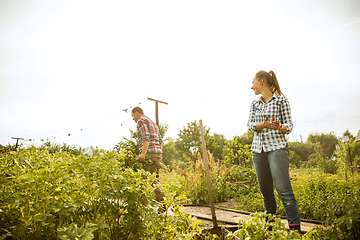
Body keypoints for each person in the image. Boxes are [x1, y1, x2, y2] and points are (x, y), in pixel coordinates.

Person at [247, 70, 301, 232]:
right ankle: (270, 228)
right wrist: (263, 125)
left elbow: (289, 125)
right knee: (266, 191)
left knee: (284, 190)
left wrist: (280, 127)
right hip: (258, 150)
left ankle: (295, 231)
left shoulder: (281, 100)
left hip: (277, 149)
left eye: (253, 82)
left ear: (261, 81)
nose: (251, 87)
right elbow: (250, 125)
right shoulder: (254, 104)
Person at [131, 107, 164, 203]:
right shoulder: (153, 123)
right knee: (150, 179)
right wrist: (158, 153)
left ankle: (161, 200)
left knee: (144, 179)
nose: (132, 118)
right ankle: (156, 202)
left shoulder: (141, 121)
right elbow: (160, 140)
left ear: (136, 113)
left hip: (149, 153)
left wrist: (143, 153)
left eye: (132, 115)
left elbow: (145, 137)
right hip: (157, 153)